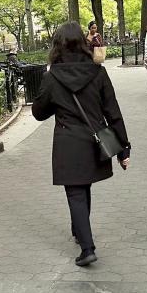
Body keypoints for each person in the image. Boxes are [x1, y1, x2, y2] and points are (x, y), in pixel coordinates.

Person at [33, 22, 131, 267]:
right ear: (83, 43)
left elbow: (38, 113)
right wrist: (123, 148)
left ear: (57, 46)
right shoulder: (98, 72)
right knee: (83, 187)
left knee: (76, 192)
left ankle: (87, 248)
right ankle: (79, 231)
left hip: (67, 141)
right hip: (94, 139)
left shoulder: (52, 76)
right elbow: (113, 111)